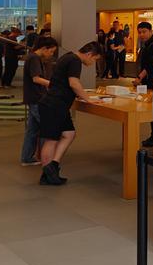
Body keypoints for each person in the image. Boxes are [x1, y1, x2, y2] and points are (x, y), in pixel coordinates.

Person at [37, 41, 104, 185]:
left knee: (69, 134)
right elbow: (74, 83)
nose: (93, 63)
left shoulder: (68, 56)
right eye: (94, 59)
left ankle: (53, 166)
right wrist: (89, 99)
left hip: (58, 105)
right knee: (51, 139)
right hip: (54, 105)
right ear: (89, 54)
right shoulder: (75, 60)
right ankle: (47, 174)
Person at [19, 36, 57, 166]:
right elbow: (36, 79)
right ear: (44, 48)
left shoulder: (32, 57)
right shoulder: (34, 58)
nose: (51, 55)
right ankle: (46, 158)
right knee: (47, 127)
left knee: (33, 130)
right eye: (51, 51)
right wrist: (52, 84)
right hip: (37, 98)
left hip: (33, 97)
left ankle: (27, 157)